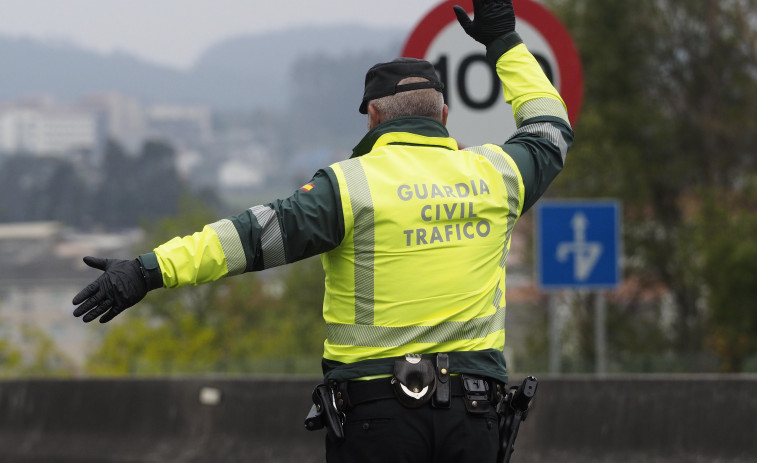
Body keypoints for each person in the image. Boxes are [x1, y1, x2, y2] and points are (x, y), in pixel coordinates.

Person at [72, 0, 573, 461]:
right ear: (444, 115)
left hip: (379, 419)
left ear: (374, 117)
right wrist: (503, 41)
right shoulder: (498, 176)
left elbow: (248, 239)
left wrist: (147, 270)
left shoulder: (349, 187)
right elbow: (549, 126)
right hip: (475, 419)